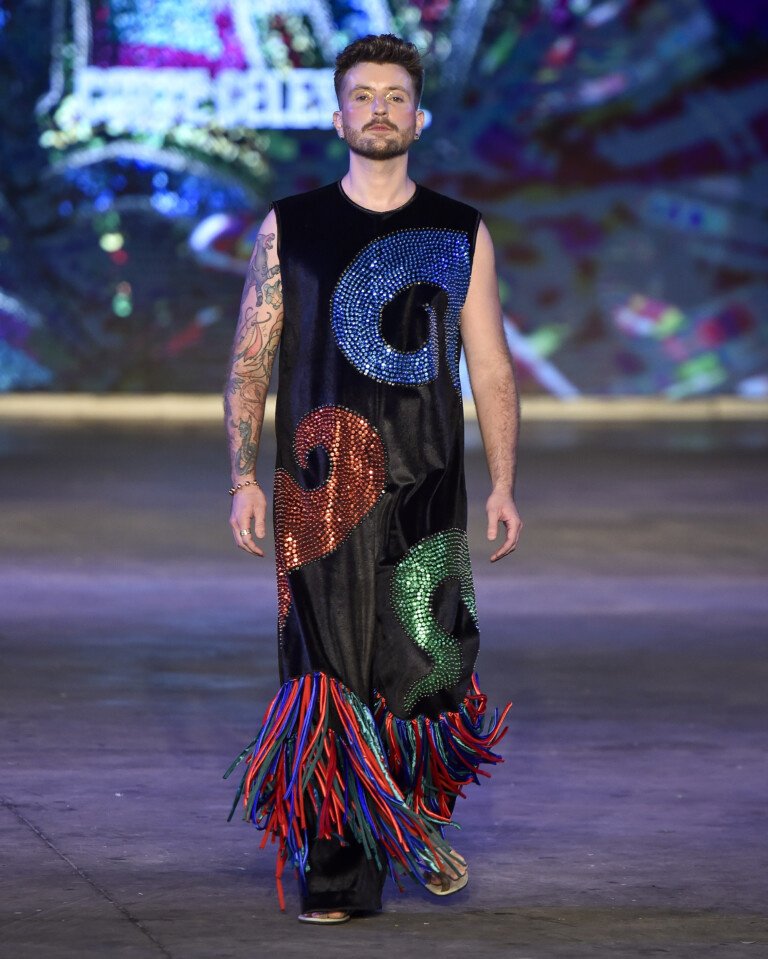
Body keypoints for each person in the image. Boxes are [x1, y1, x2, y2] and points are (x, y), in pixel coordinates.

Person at [222, 33, 522, 925]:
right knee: (325, 664)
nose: (380, 109)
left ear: (419, 117)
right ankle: (340, 862)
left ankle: (412, 820)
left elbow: (493, 367)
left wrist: (505, 483)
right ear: (338, 113)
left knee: (426, 662)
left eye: (396, 96)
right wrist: (241, 475)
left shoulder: (459, 229)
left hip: (427, 483)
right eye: (364, 95)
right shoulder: (291, 226)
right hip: (317, 496)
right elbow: (250, 357)